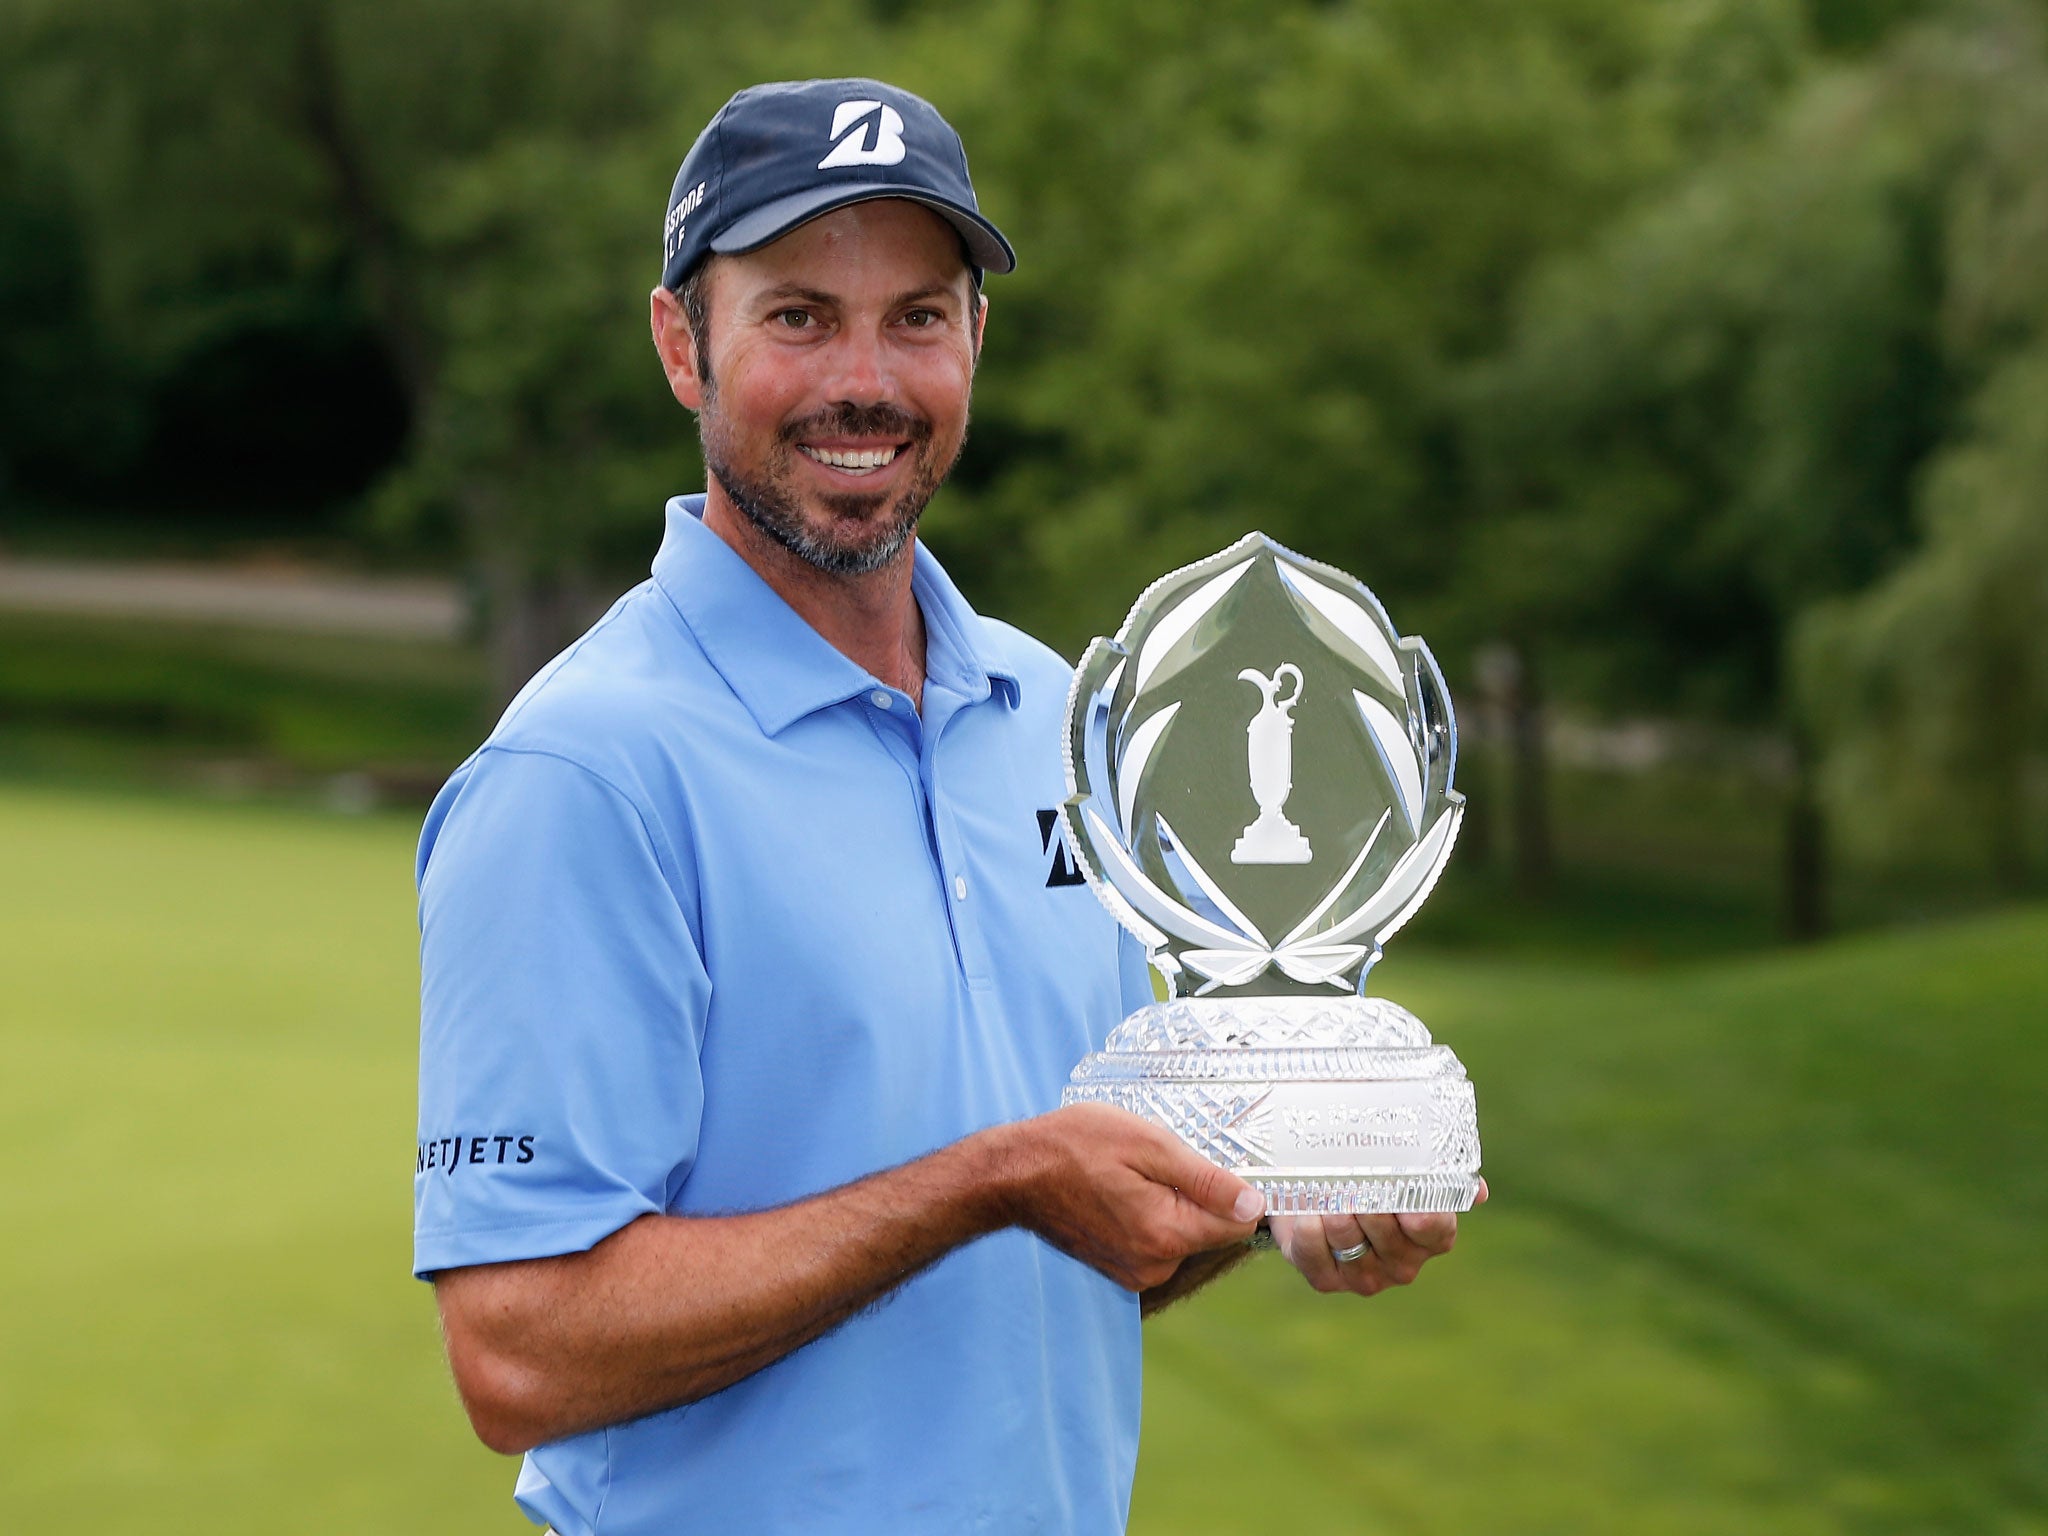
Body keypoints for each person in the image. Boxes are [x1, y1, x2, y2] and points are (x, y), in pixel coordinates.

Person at [414, 77, 1478, 1535]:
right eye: (797, 316)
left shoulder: (1066, 724)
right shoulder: (584, 774)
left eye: (917, 315)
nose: (868, 378)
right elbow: (518, 1352)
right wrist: (990, 1178)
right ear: (683, 344)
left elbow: (1081, 1234)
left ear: (976, 340)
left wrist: (1285, 1195)